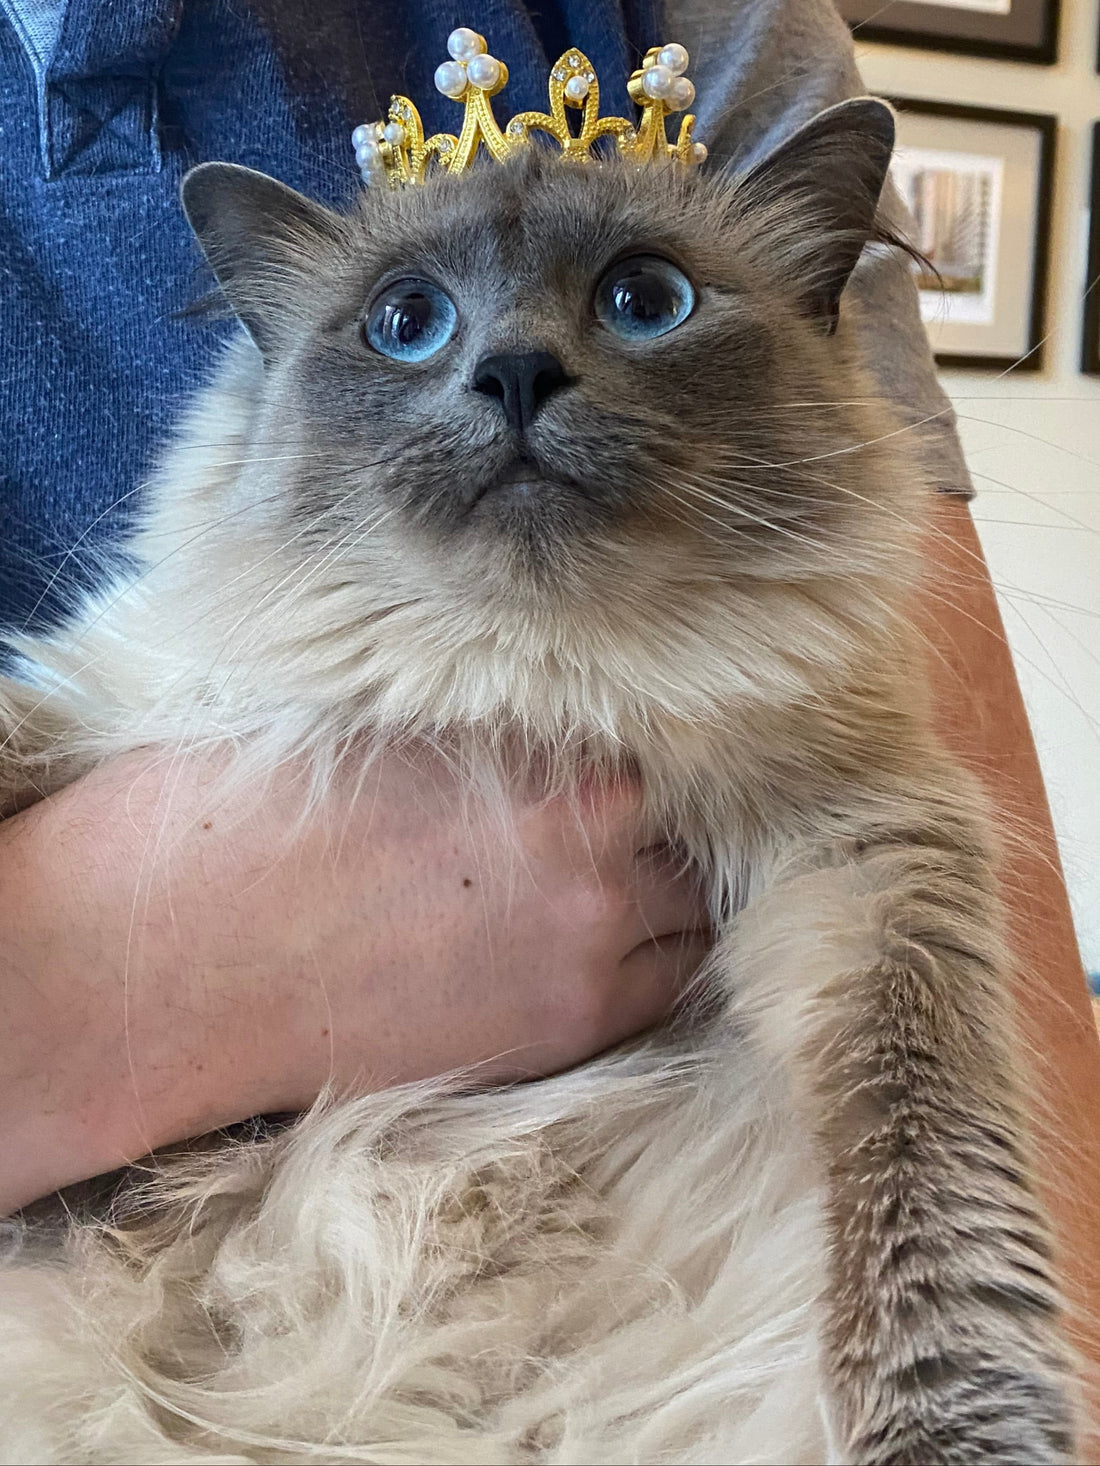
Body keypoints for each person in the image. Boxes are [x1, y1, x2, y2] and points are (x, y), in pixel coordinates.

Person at [2, 0, 1099, 1383]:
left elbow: (893, 865)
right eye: (407, 318)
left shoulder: (722, 21)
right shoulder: (154, 639)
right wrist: (148, 971)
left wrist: (953, 1369)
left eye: (642, 298)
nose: (512, 361)